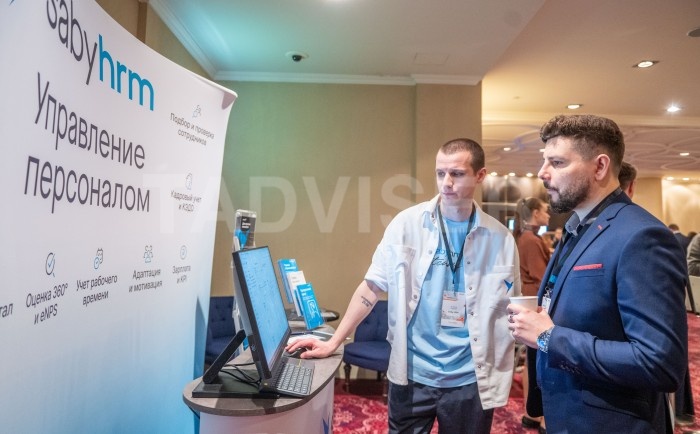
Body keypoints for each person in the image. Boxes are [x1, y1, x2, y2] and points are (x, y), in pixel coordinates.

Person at [287, 138, 521, 433]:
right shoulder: (406, 225)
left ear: (480, 175)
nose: (446, 183)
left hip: (469, 379)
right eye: (440, 173)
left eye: (457, 174)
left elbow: (511, 308)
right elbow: (371, 287)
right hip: (412, 374)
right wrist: (334, 342)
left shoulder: (500, 238)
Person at [507, 114, 688, 433]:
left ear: (600, 166)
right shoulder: (578, 227)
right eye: (545, 161)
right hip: (568, 413)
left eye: (557, 162)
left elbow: (659, 363)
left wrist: (550, 337)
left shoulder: (642, 236)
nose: (543, 172)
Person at [513, 197, 551, 433]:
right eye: (545, 211)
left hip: (530, 301)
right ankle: (540, 416)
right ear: (535, 213)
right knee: (538, 361)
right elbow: (542, 278)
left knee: (532, 359)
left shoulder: (525, 237)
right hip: (535, 303)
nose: (549, 214)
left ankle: (532, 415)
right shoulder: (531, 240)